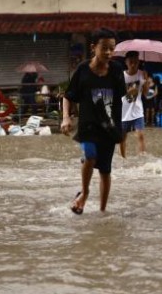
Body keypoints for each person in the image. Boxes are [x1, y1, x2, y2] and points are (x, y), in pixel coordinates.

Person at [61, 28, 126, 214]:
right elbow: (68, 95)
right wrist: (66, 118)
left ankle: (103, 212)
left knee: (105, 170)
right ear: (93, 48)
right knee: (90, 156)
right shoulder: (82, 69)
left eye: (111, 48)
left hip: (110, 127)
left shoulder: (116, 70)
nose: (108, 52)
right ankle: (85, 193)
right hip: (88, 126)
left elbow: (122, 100)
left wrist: (123, 128)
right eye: (104, 48)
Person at [120, 51, 149, 157]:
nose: (133, 65)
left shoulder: (142, 74)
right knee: (122, 138)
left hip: (137, 111)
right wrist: (129, 92)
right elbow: (119, 95)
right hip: (123, 112)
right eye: (131, 62)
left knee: (140, 135)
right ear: (126, 62)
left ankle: (142, 159)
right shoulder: (121, 76)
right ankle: (123, 159)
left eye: (136, 62)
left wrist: (146, 82)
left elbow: (145, 94)